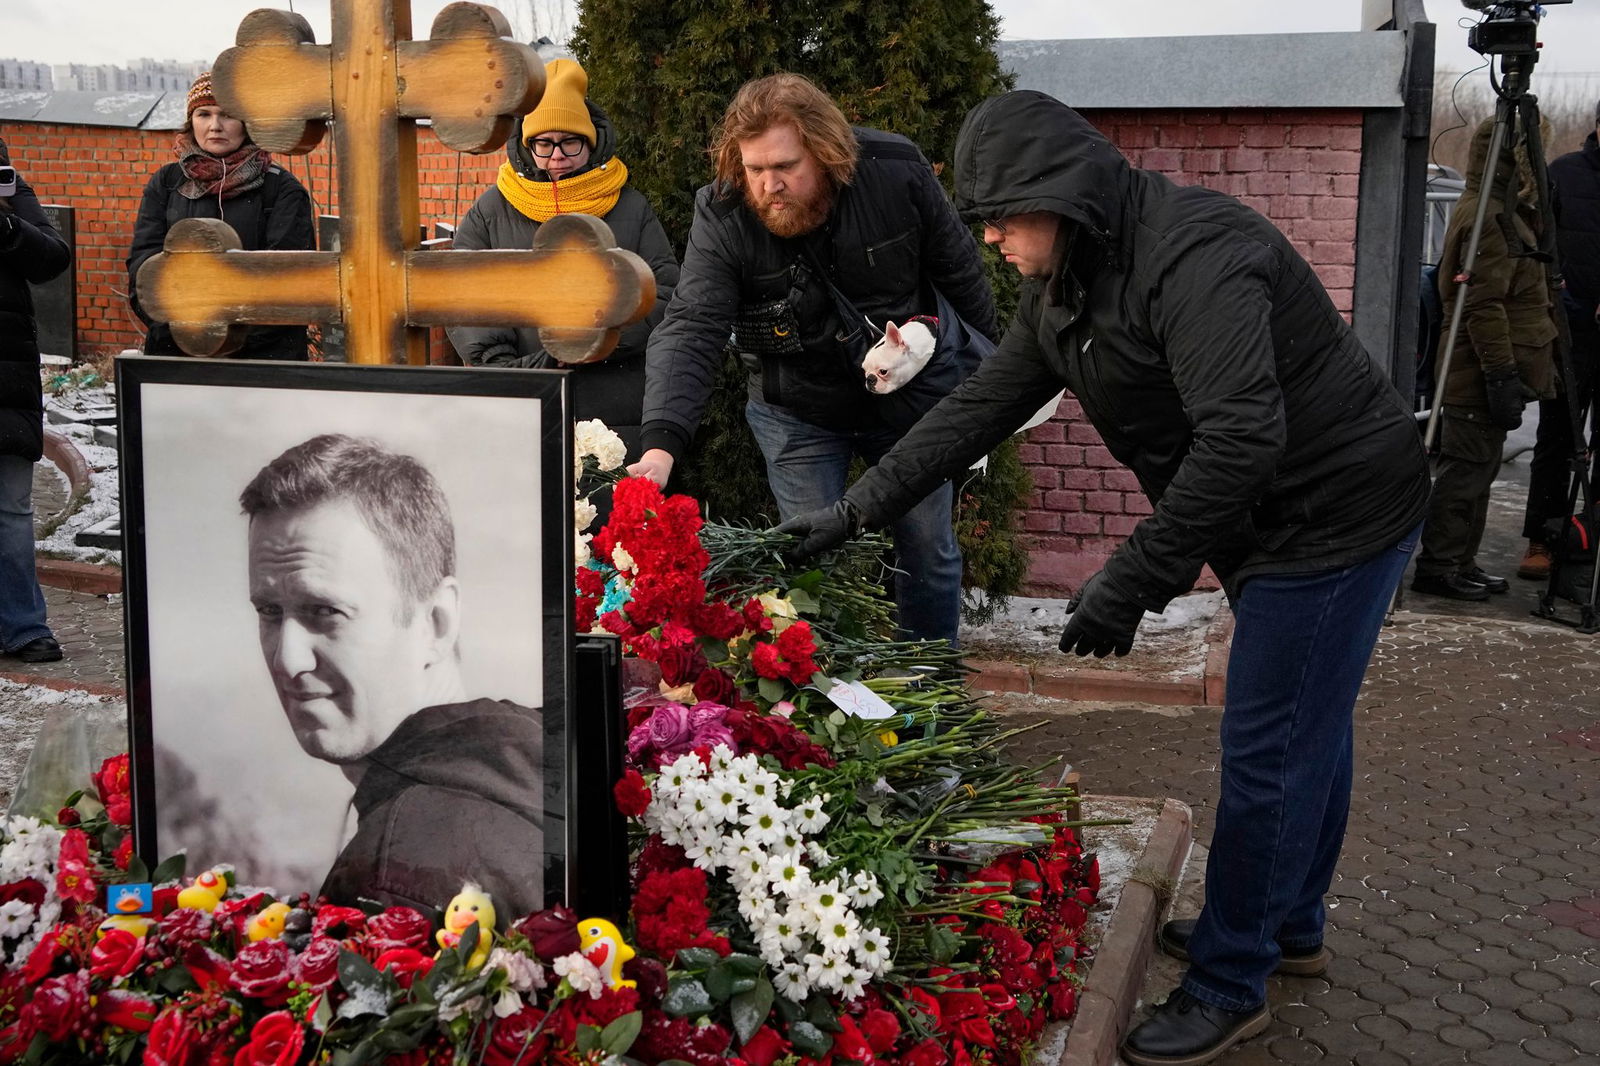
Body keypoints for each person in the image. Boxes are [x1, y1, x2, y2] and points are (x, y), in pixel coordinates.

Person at [778, 90, 1431, 1066]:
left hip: (1335, 514)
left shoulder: (1194, 259)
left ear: (1059, 196)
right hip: (1270, 522)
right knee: (1303, 721)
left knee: (1268, 744)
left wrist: (1128, 581)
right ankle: (1285, 925)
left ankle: (1228, 980)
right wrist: (854, 511)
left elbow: (1241, 436)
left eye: (1002, 215)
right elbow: (973, 412)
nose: (992, 237)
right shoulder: (1073, 287)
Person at [628, 73, 996, 645]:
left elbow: (962, 275)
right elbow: (693, 325)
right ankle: (831, 718)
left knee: (928, 550)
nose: (769, 185)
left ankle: (931, 692)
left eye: (786, 167)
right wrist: (661, 443)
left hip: (909, 402)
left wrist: (984, 389)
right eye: (754, 169)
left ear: (825, 153)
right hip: (795, 410)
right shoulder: (723, 212)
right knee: (811, 565)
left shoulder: (895, 170)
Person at [241, 433, 545, 920]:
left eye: (324, 611)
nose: (287, 660)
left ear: (436, 621)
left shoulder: (396, 882)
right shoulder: (533, 759)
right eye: (270, 612)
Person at [448, 59, 679, 462]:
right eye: (544, 142)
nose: (557, 155)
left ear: (591, 143)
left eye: (570, 141)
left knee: (606, 518)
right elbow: (465, 295)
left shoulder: (631, 206)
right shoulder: (490, 211)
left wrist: (597, 343)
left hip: (618, 405)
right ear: (527, 145)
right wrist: (522, 369)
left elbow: (665, 292)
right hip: (525, 401)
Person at [1413, 117, 1556, 601]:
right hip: (1476, 372)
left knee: (1478, 474)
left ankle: (1459, 560)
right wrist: (1500, 374)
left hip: (1482, 370)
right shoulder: (1489, 219)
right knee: (1463, 474)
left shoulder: (1500, 209)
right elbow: (1480, 304)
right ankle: (1439, 564)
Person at [127, 72, 315, 360]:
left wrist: (230, 341)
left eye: (227, 115)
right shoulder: (167, 183)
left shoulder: (280, 190)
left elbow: (288, 280)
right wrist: (182, 332)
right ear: (191, 121)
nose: (215, 126)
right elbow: (144, 266)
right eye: (203, 114)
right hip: (176, 353)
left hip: (261, 361)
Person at [1519, 101, 1600, 580]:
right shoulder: (1564, 174)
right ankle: (1542, 539)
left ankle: (1589, 538)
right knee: (1557, 437)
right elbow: (1539, 245)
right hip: (1569, 331)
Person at [0, 136, 71, 664]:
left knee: (11, 507)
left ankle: (24, 626)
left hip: (6, 374)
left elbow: (52, 257)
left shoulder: (7, 181)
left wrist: (5, 226)